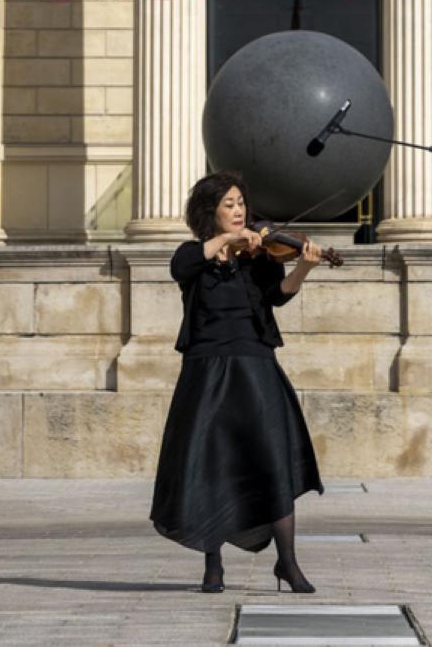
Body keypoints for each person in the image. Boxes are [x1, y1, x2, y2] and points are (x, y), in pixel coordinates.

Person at [150, 171, 324, 595]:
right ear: (209, 211)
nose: (238, 210)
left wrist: (302, 265)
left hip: (255, 364)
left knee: (272, 459)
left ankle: (288, 562)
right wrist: (229, 242)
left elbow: (279, 295)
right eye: (229, 204)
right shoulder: (192, 255)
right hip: (206, 370)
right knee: (211, 463)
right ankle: (213, 567)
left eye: (241, 203)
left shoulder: (259, 256)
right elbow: (185, 266)